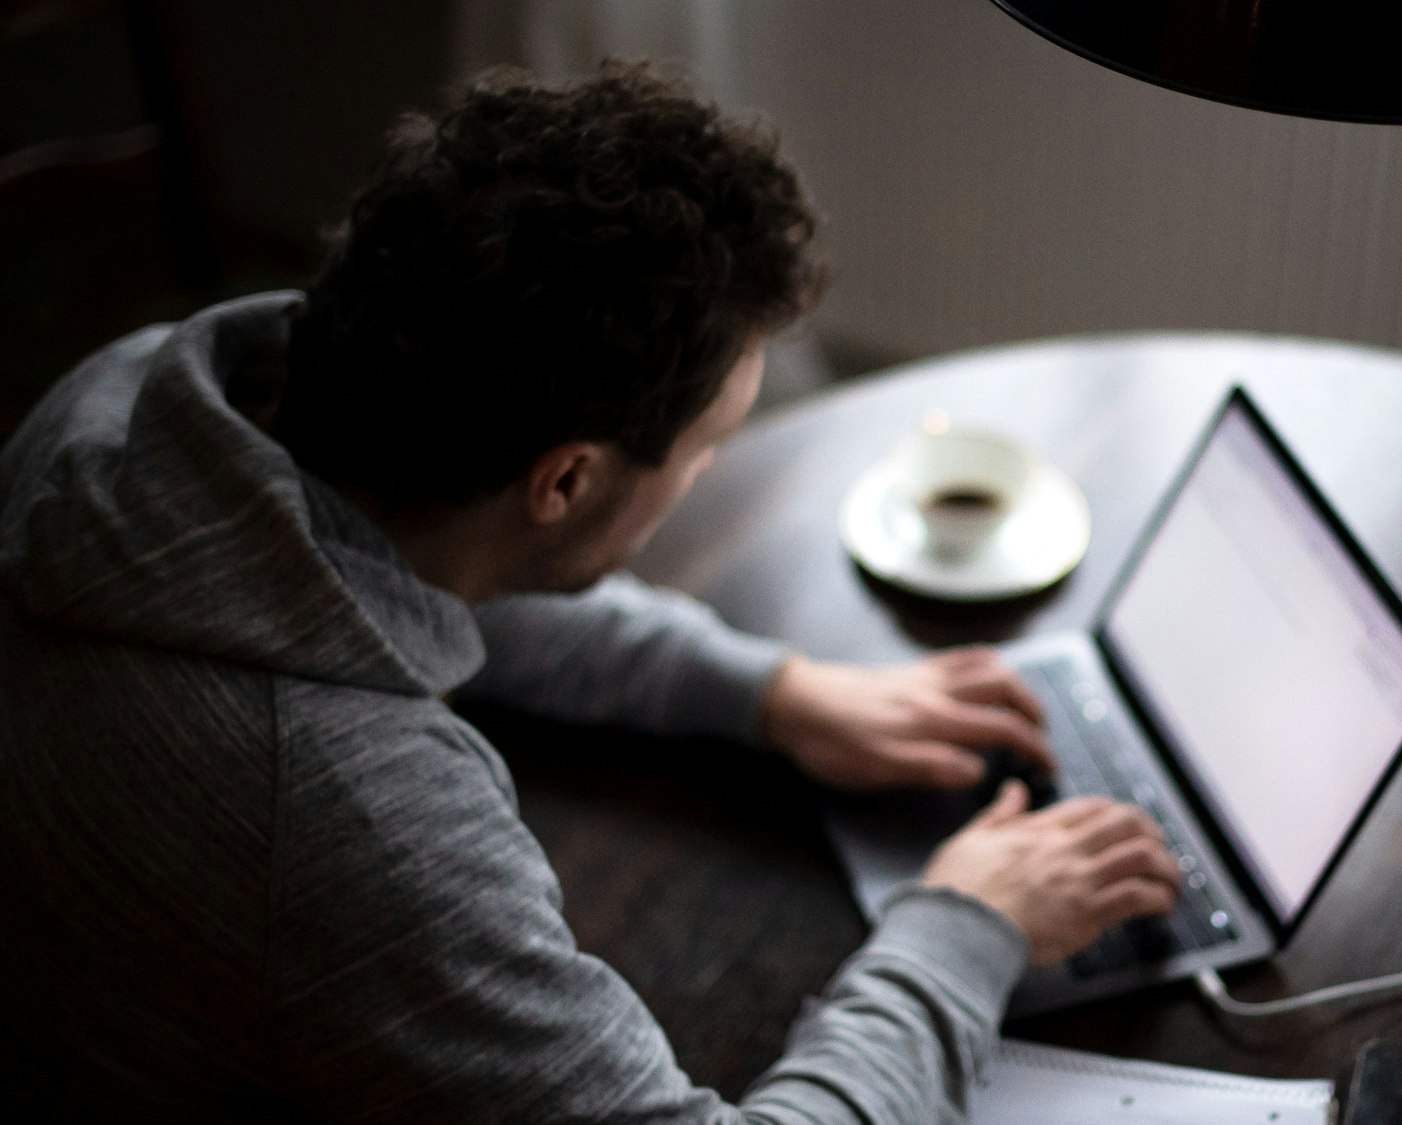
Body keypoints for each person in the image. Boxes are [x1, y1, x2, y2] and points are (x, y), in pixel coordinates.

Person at [0, 62, 1181, 1122]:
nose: (711, 463)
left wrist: (767, 691)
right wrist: (966, 928)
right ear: (564, 479)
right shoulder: (349, 823)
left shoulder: (128, 415)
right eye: (706, 444)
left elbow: (408, 577)